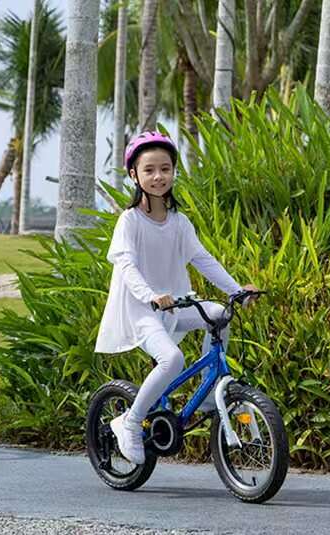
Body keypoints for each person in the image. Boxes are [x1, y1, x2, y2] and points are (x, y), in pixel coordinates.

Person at [94, 131, 260, 464]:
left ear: (173, 172)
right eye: (149, 170)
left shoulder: (179, 222)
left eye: (165, 169)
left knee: (219, 314)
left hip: (173, 307)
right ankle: (130, 422)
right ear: (134, 175)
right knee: (172, 360)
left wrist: (236, 291)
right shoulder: (129, 221)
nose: (158, 176)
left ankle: (210, 393)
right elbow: (126, 265)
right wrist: (151, 295)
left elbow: (202, 259)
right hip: (140, 311)